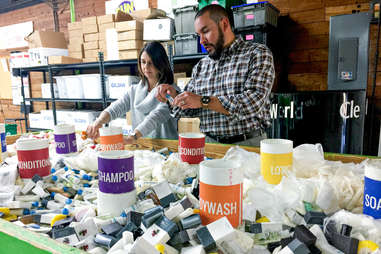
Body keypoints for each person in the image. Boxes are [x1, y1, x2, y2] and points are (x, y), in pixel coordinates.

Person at [156, 4, 275, 146]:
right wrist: (174, 96)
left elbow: (253, 103)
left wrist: (203, 101)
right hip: (210, 145)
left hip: (247, 144)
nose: (201, 41)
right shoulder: (201, 66)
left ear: (224, 24)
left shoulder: (257, 54)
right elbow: (189, 111)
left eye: (205, 31)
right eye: (198, 35)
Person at [86, 41, 178, 143]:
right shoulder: (134, 91)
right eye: (143, 62)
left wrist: (132, 137)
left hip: (167, 148)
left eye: (151, 63)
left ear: (160, 63)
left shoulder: (171, 91)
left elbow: (156, 117)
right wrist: (98, 122)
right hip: (142, 147)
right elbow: (115, 108)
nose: (146, 67)